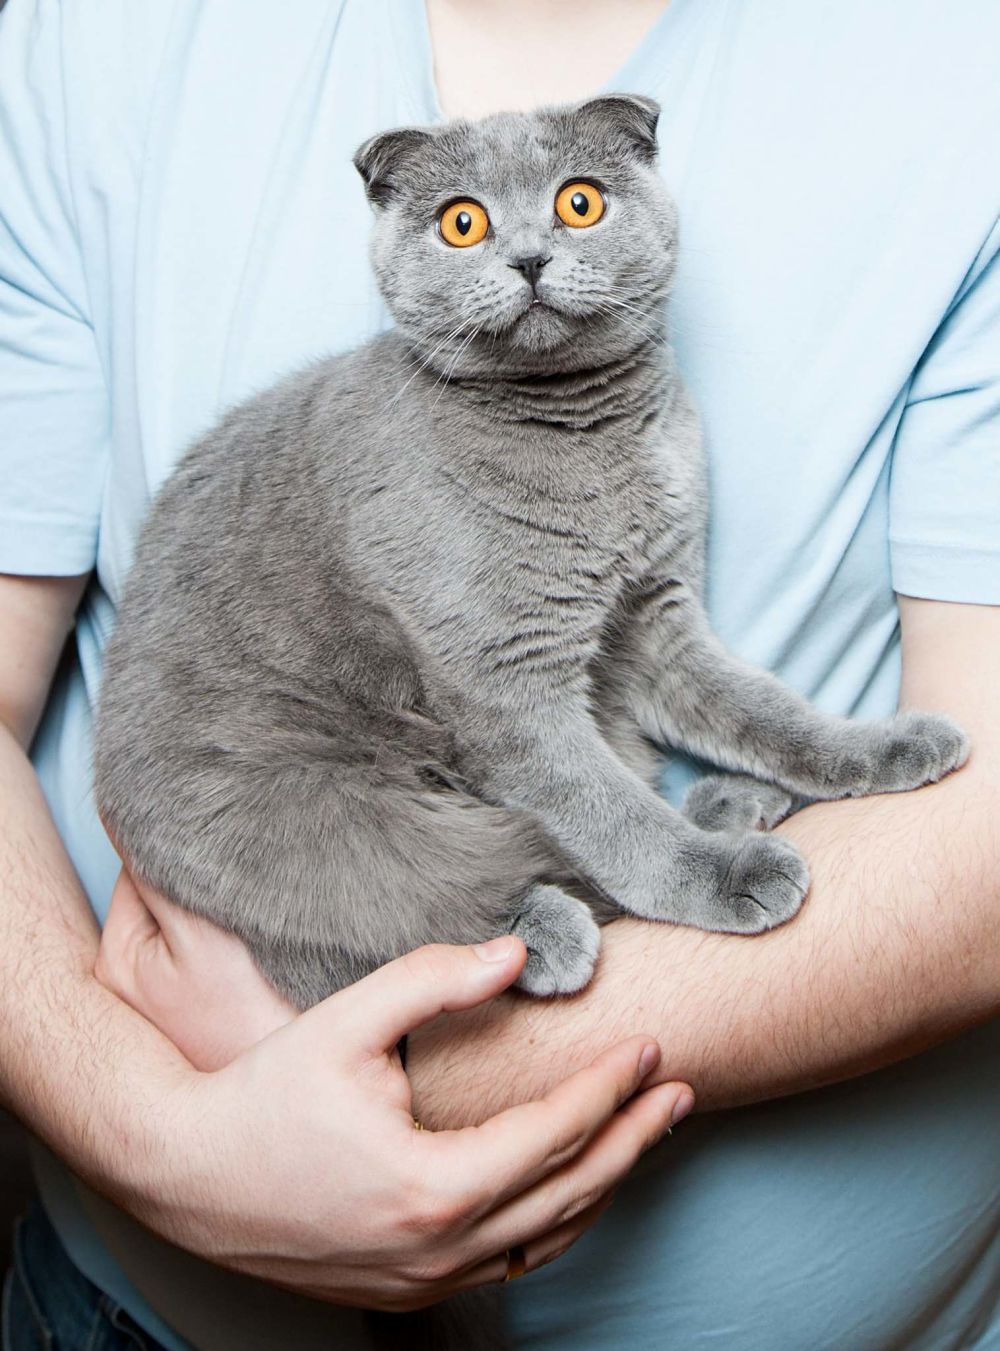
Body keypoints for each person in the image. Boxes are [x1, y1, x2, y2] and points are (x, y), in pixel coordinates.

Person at [1, 0, 997, 1348]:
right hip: (291, 793)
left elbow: (655, 643)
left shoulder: (952, 68)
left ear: (641, 182)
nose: (528, 247)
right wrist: (150, 1128)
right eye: (464, 224)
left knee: (604, 718)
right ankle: (544, 902)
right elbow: (510, 706)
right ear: (402, 231)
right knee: (488, 767)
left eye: (581, 202)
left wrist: (828, 755)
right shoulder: (85, 39)